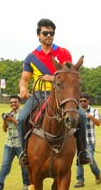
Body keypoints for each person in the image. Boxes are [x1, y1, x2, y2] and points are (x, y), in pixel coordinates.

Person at [18, 18, 91, 166]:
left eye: (51, 33)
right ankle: (24, 152)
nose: (49, 35)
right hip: (39, 94)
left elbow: (69, 74)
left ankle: (83, 152)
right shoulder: (31, 57)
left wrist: (51, 78)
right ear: (39, 35)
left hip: (61, 95)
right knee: (21, 118)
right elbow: (24, 79)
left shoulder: (63, 52)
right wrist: (23, 89)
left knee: (81, 117)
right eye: (45, 33)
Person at [0, 95, 29, 190]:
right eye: (11, 102)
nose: (13, 104)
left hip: (20, 144)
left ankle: (26, 184)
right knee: (5, 165)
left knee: (24, 165)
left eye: (15, 102)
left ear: (19, 103)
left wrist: (12, 120)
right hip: (9, 144)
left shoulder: (24, 114)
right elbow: (4, 130)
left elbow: (24, 127)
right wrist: (4, 120)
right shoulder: (9, 114)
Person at [74, 93, 101, 187]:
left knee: (90, 159)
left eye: (84, 101)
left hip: (89, 140)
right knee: (79, 160)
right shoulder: (75, 111)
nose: (82, 102)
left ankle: (97, 173)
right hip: (78, 139)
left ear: (88, 101)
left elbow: (98, 123)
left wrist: (91, 117)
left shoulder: (94, 110)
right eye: (80, 101)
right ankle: (80, 180)